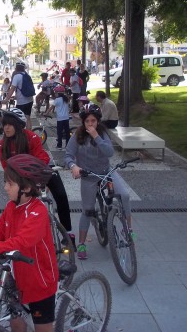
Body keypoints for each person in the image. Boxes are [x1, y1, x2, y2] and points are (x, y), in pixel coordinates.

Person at [0, 154, 58, 332]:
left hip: (39, 283)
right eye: (5, 182)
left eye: (10, 184)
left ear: (26, 188)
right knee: (16, 322)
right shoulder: (11, 206)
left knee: (43, 328)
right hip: (18, 279)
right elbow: (0, 231)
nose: (5, 187)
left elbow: (19, 242)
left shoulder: (38, 212)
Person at [65, 104, 132, 260]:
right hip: (88, 176)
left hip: (106, 172)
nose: (90, 124)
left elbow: (109, 152)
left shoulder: (102, 133)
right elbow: (68, 155)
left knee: (124, 195)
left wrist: (96, 136)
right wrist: (74, 166)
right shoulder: (77, 136)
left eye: (93, 121)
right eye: (87, 121)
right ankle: (82, 243)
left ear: (98, 121)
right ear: (83, 122)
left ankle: (128, 230)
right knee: (87, 210)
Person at [0, 108, 72, 232]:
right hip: (21, 176)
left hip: (43, 168)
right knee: (16, 202)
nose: (6, 128)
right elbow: (7, 169)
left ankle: (68, 232)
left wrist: (42, 182)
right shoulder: (3, 145)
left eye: (10, 124)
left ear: (19, 126)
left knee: (61, 195)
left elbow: (42, 160)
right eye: (5, 124)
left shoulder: (31, 137)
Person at [2, 61, 35, 130]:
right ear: (24, 68)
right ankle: (29, 134)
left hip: (22, 102)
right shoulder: (27, 75)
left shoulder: (17, 76)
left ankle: (20, 133)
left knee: (18, 119)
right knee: (27, 117)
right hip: (30, 100)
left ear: (16, 68)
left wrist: (6, 100)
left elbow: (12, 89)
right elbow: (23, 88)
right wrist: (16, 97)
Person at [45, 85, 72, 150]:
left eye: (55, 93)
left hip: (60, 119)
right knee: (67, 132)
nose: (55, 94)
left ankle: (59, 145)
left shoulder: (57, 100)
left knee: (59, 132)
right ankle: (68, 145)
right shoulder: (66, 99)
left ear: (58, 93)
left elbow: (51, 108)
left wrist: (46, 113)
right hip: (66, 118)